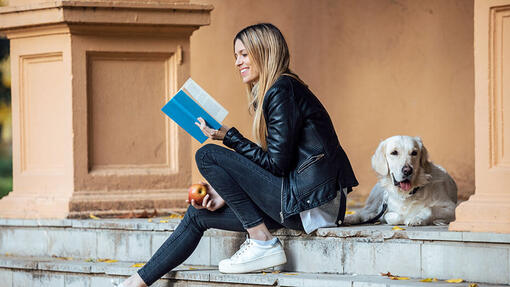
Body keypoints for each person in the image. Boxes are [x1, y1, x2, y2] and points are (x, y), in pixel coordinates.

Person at [116, 23, 358, 287]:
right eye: (236, 56)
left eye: (243, 54)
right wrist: (226, 192)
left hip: (309, 204)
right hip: (303, 203)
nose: (237, 62)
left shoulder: (281, 89)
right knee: (197, 215)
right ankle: (136, 282)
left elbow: (276, 165)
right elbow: (277, 164)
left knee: (208, 155)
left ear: (263, 51)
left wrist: (229, 137)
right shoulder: (279, 90)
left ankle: (261, 241)